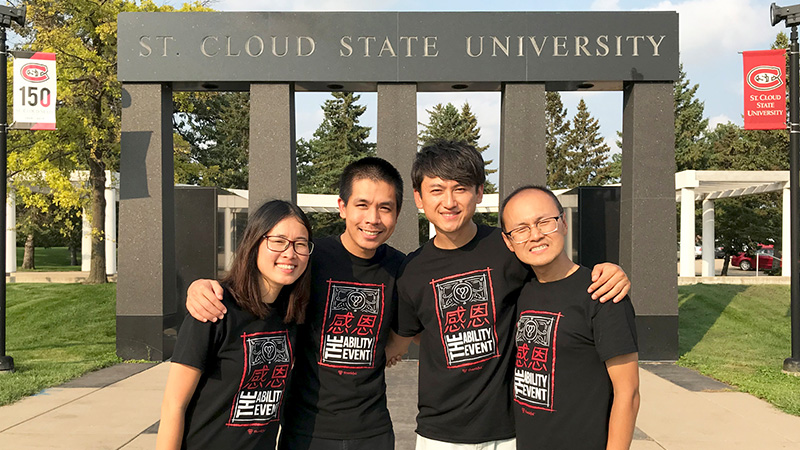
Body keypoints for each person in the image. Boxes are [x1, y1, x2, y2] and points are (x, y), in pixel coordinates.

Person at [389, 141, 630, 449]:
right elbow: (414, 334)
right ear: (419, 198)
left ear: (478, 193)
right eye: (436, 190)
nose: (449, 201)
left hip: (510, 431)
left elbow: (558, 274)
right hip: (440, 434)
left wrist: (610, 272)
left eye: (460, 188)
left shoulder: (508, 247)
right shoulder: (411, 270)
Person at [185, 157, 406, 450]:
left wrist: (385, 352)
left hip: (372, 431)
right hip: (306, 430)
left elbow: (407, 331)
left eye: (385, 208)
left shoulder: (401, 269)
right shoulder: (308, 259)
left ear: (398, 213)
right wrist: (199, 287)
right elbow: (261, 286)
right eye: (362, 205)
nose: (373, 218)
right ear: (342, 207)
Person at [156, 200, 313, 450]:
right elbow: (174, 405)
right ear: (254, 243)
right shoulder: (214, 308)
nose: (290, 253)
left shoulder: (294, 314)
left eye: (300, 244)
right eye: (278, 241)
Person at [500, 186, 639, 450]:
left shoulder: (602, 292)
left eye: (544, 222)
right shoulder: (517, 291)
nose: (536, 235)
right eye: (521, 229)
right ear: (509, 242)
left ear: (563, 223)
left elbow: (628, 393)